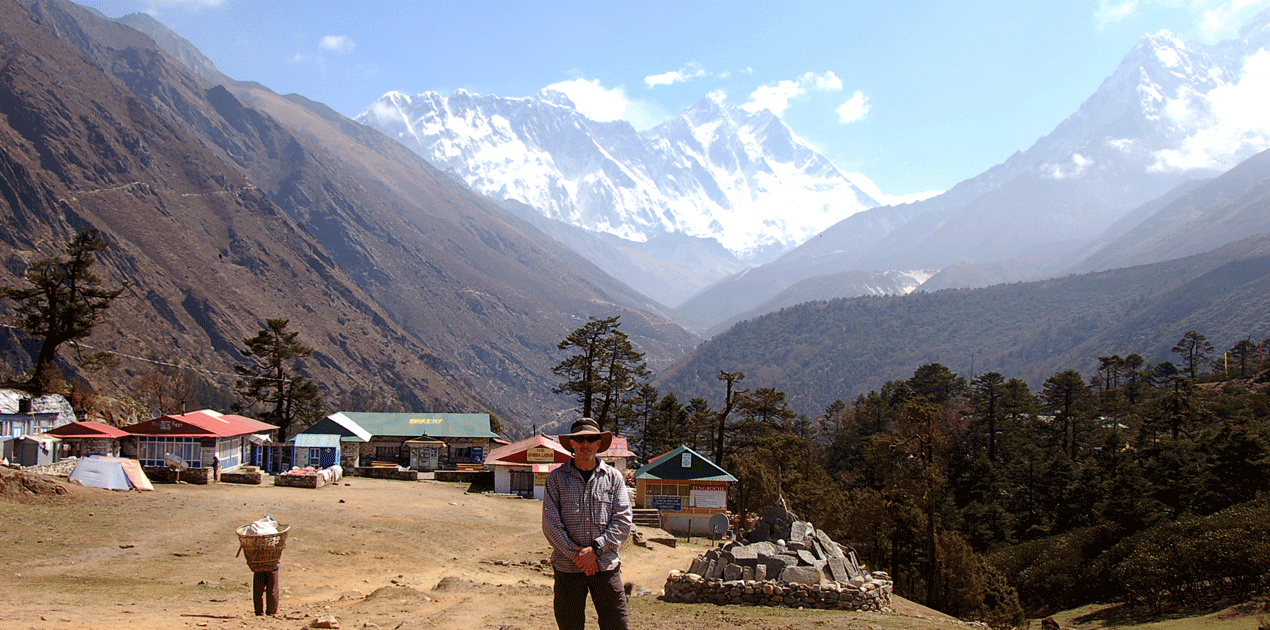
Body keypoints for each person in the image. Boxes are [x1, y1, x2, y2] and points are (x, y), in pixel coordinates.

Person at [542, 418, 633, 630]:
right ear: (572, 443)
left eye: (591, 438)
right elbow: (550, 524)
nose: (586, 444)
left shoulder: (614, 478)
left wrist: (596, 550)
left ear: (599, 443)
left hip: (606, 565)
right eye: (580, 439)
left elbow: (623, 520)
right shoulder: (556, 479)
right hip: (567, 568)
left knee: (617, 626)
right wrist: (577, 556)